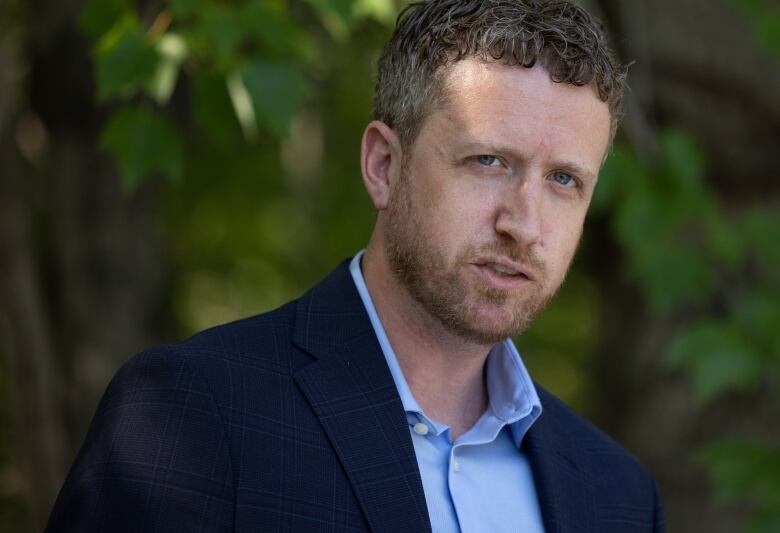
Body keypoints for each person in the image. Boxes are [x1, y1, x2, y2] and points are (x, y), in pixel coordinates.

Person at [47, 1, 665, 531]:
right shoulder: (193, 414)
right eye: (487, 161)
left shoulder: (620, 497)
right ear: (383, 166)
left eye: (564, 179)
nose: (523, 225)